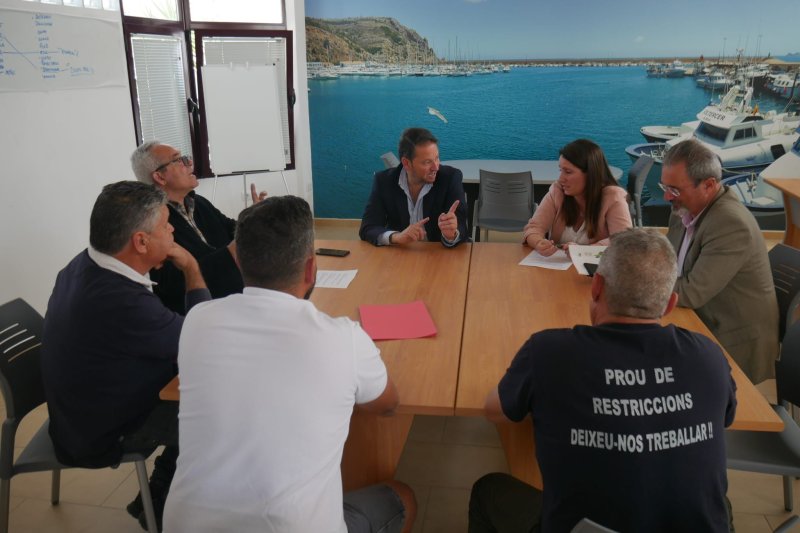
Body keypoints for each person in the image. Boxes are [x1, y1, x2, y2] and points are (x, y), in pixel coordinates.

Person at [163, 195, 417, 532]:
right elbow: (388, 405)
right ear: (311, 268)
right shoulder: (344, 338)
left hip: (187, 525)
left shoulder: (197, 322)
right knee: (403, 496)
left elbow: (201, 303)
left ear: (239, 263)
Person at [469, 228, 737, 532]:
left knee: (488, 490)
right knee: (720, 505)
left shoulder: (549, 352)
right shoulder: (709, 357)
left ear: (596, 286)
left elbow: (496, 410)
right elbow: (726, 416)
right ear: (669, 304)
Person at [41, 181, 211, 531]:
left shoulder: (83, 265)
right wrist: (192, 267)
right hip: (101, 433)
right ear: (140, 241)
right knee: (217, 413)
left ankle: (157, 493)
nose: (172, 231)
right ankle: (162, 508)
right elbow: (204, 344)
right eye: (167, 225)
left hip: (76, 412)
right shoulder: (122, 302)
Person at [662, 138, 779, 384]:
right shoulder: (684, 208)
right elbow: (667, 262)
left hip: (730, 337)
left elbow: (692, 292)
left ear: (709, 185)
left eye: (674, 189)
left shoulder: (729, 223)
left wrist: (634, 285)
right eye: (665, 186)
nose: (666, 196)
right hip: (698, 318)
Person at [130, 141, 266, 313]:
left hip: (238, 299)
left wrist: (253, 217)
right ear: (159, 177)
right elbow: (171, 285)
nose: (189, 162)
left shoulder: (198, 202)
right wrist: (231, 252)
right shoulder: (154, 223)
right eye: (178, 159)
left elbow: (232, 230)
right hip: (205, 313)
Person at [359, 127, 468, 247]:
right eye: (427, 162)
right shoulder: (384, 181)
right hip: (401, 254)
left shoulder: (450, 178)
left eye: (436, 158)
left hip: (439, 254)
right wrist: (396, 237)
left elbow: (461, 226)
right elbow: (368, 228)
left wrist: (451, 234)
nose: (435, 167)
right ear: (406, 163)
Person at [523, 138, 631, 255]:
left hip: (597, 271)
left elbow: (624, 241)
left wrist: (583, 252)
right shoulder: (557, 191)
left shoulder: (613, 197)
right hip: (558, 270)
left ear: (591, 174)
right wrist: (538, 242)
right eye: (561, 170)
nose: (560, 178)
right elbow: (533, 228)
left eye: (568, 172)